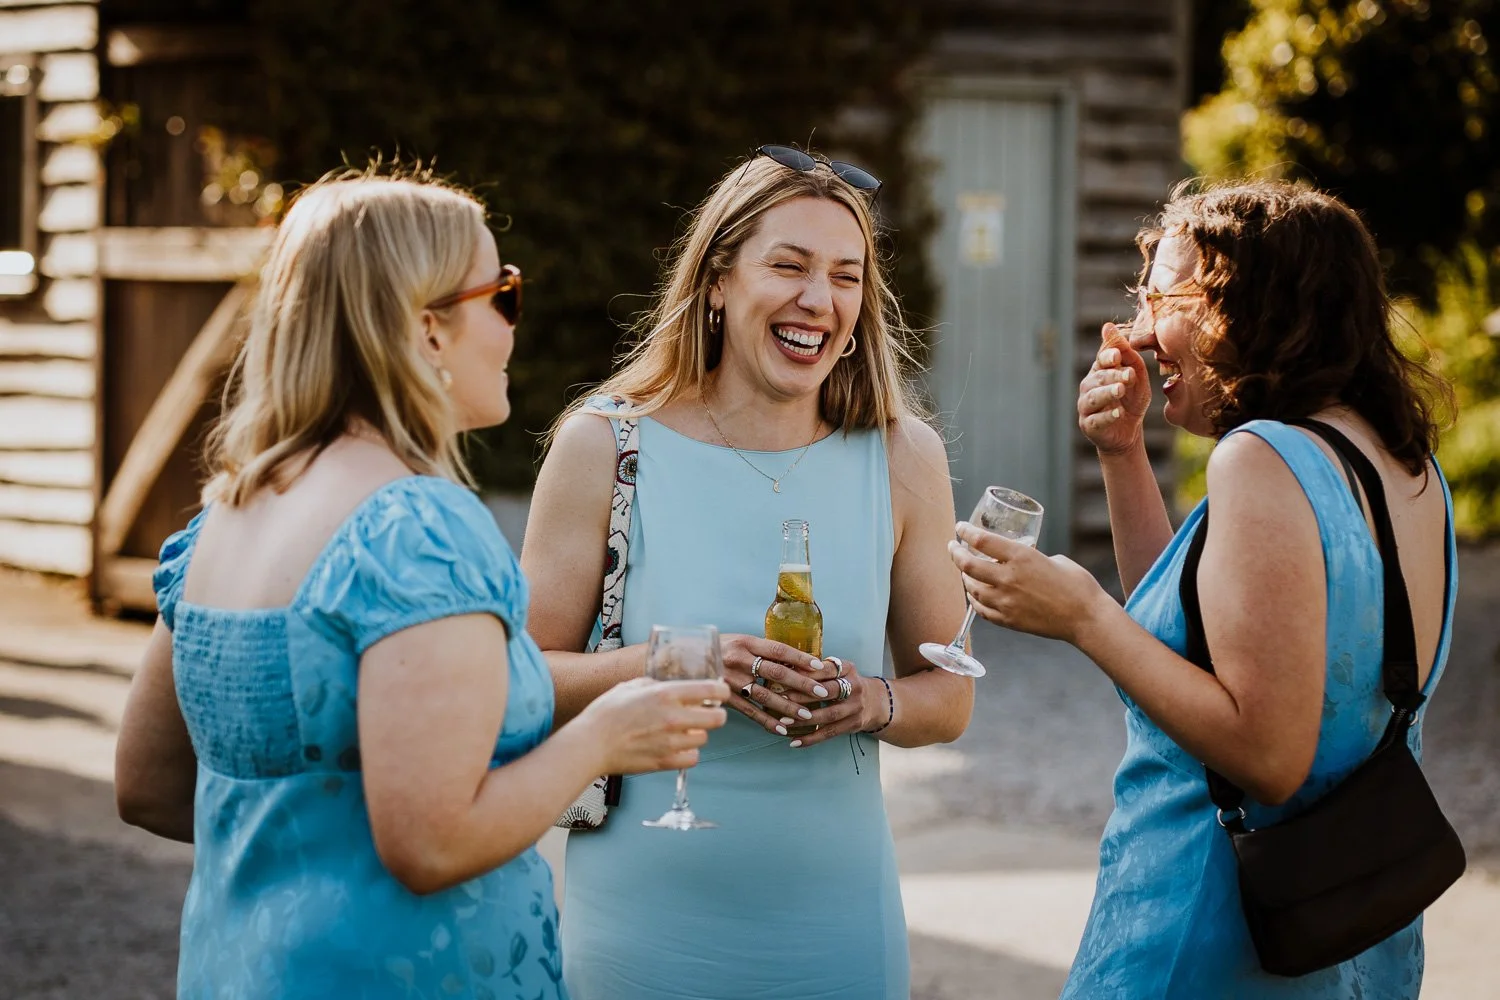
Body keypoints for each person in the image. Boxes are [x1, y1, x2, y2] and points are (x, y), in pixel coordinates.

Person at [113, 168, 728, 999]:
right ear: (428, 331)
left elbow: (148, 787)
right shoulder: (415, 529)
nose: (515, 323)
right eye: (502, 294)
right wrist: (605, 738)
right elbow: (432, 845)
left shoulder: (225, 517)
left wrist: (311, 858)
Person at [949, 180, 1457, 998]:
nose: (1143, 334)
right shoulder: (1407, 467)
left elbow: (1269, 756)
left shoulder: (1261, 458)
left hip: (1210, 934)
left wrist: (1081, 615)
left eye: (1164, 300)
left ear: (1252, 305)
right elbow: (1202, 638)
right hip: (1356, 936)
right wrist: (1121, 456)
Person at [520, 146, 974, 1000]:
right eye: (790, 265)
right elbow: (521, 680)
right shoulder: (605, 446)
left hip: (838, 928)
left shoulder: (904, 458)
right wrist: (677, 662)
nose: (819, 299)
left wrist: (874, 702)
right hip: (641, 927)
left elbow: (948, 697)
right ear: (719, 281)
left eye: (846, 276)